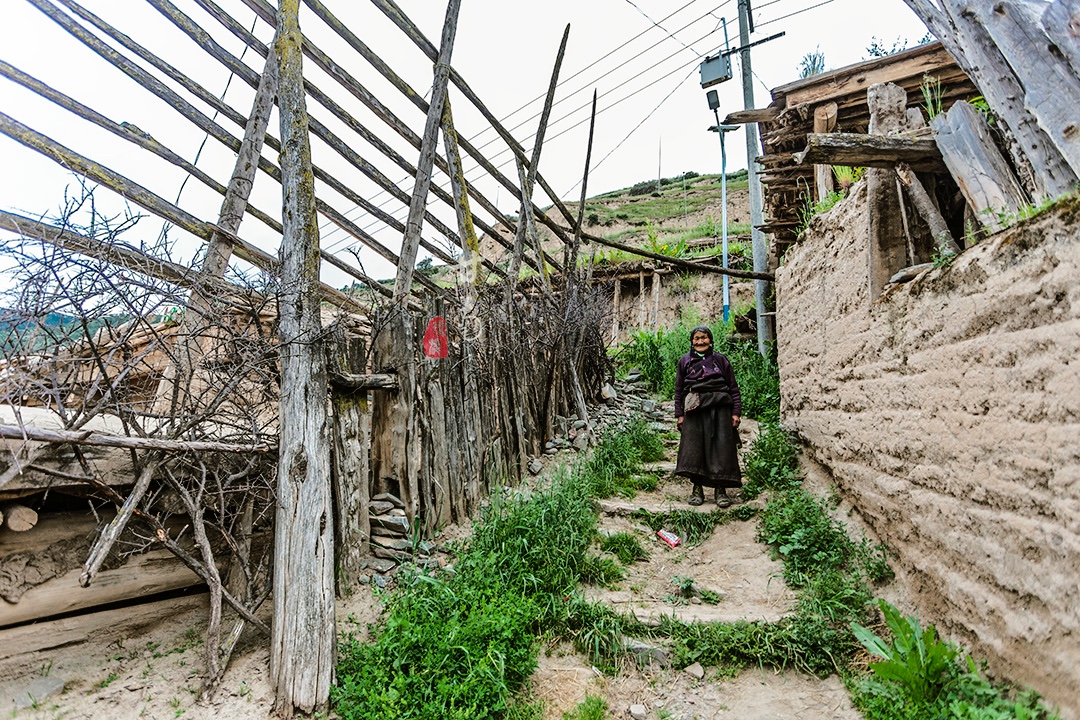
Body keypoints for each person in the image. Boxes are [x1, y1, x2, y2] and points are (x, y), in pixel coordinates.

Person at [674, 325, 742, 507]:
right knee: (694, 450)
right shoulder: (685, 361)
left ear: (710, 340)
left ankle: (721, 489)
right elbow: (679, 389)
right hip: (694, 409)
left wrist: (735, 412)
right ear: (692, 341)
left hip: (720, 410)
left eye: (704, 337)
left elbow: (733, 388)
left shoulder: (721, 360)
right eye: (696, 338)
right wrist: (679, 414)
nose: (700, 341)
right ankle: (697, 489)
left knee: (722, 448)